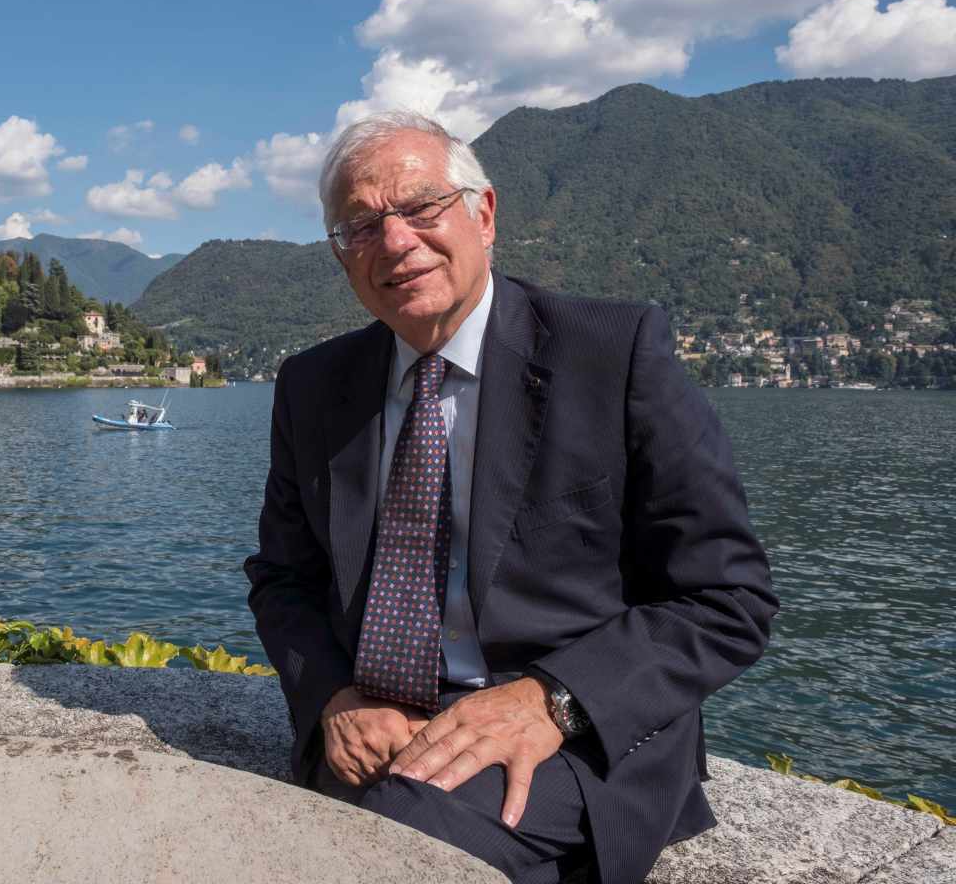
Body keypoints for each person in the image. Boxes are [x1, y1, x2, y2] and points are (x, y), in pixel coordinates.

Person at [244, 111, 778, 884]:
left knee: (395, 838)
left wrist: (549, 700)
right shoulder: (313, 385)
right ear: (341, 256)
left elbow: (729, 598)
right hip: (381, 724)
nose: (394, 242)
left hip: (571, 727)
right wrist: (334, 696)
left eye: (421, 207)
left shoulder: (613, 354)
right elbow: (283, 579)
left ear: (482, 214)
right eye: (360, 226)